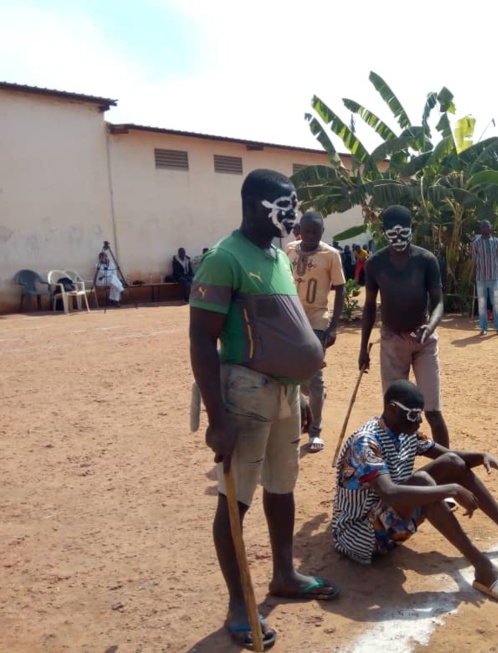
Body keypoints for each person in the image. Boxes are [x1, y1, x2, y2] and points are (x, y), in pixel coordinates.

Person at [189, 169, 339, 651]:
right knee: (236, 499)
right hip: (245, 395)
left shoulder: (277, 255)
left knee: (283, 486)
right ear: (255, 204)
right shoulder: (223, 259)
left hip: (285, 396)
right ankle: (239, 604)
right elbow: (200, 340)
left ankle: (284, 574)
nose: (294, 214)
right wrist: (216, 418)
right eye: (285, 204)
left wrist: (300, 387)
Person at [332, 380, 498, 604]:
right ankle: (483, 568)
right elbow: (390, 493)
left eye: (420, 414)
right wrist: (450, 490)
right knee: (422, 482)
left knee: (451, 463)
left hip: (389, 518)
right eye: (413, 415)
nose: (419, 421)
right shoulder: (366, 443)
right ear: (392, 408)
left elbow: (450, 458)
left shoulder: (405, 432)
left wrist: (481, 456)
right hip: (360, 536)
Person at [359, 206, 451, 447]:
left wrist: (429, 327)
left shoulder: (426, 260)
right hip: (391, 341)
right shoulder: (375, 263)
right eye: (393, 232)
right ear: (384, 232)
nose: (398, 238)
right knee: (394, 413)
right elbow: (369, 307)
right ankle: (393, 468)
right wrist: (363, 349)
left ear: (412, 230)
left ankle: (448, 466)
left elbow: (439, 302)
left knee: (432, 410)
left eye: (404, 232)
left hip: (423, 340)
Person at [285, 211, 347, 452]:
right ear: (300, 229)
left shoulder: (331, 256)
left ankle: (315, 431)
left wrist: (333, 327)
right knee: (294, 376)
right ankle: (310, 405)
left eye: (315, 232)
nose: (310, 236)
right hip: (290, 320)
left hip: (316, 321)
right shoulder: (289, 250)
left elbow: (340, 290)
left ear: (322, 232)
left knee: (315, 374)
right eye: (306, 231)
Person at [470, 220, 498, 335]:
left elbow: (497, 257)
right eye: (483, 226)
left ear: (491, 228)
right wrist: (473, 275)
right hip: (481, 278)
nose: (485, 228)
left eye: (487, 226)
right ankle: (483, 328)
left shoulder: (496, 242)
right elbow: (474, 261)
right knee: (482, 305)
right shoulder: (475, 243)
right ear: (480, 229)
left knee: (496, 304)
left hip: (494, 277)